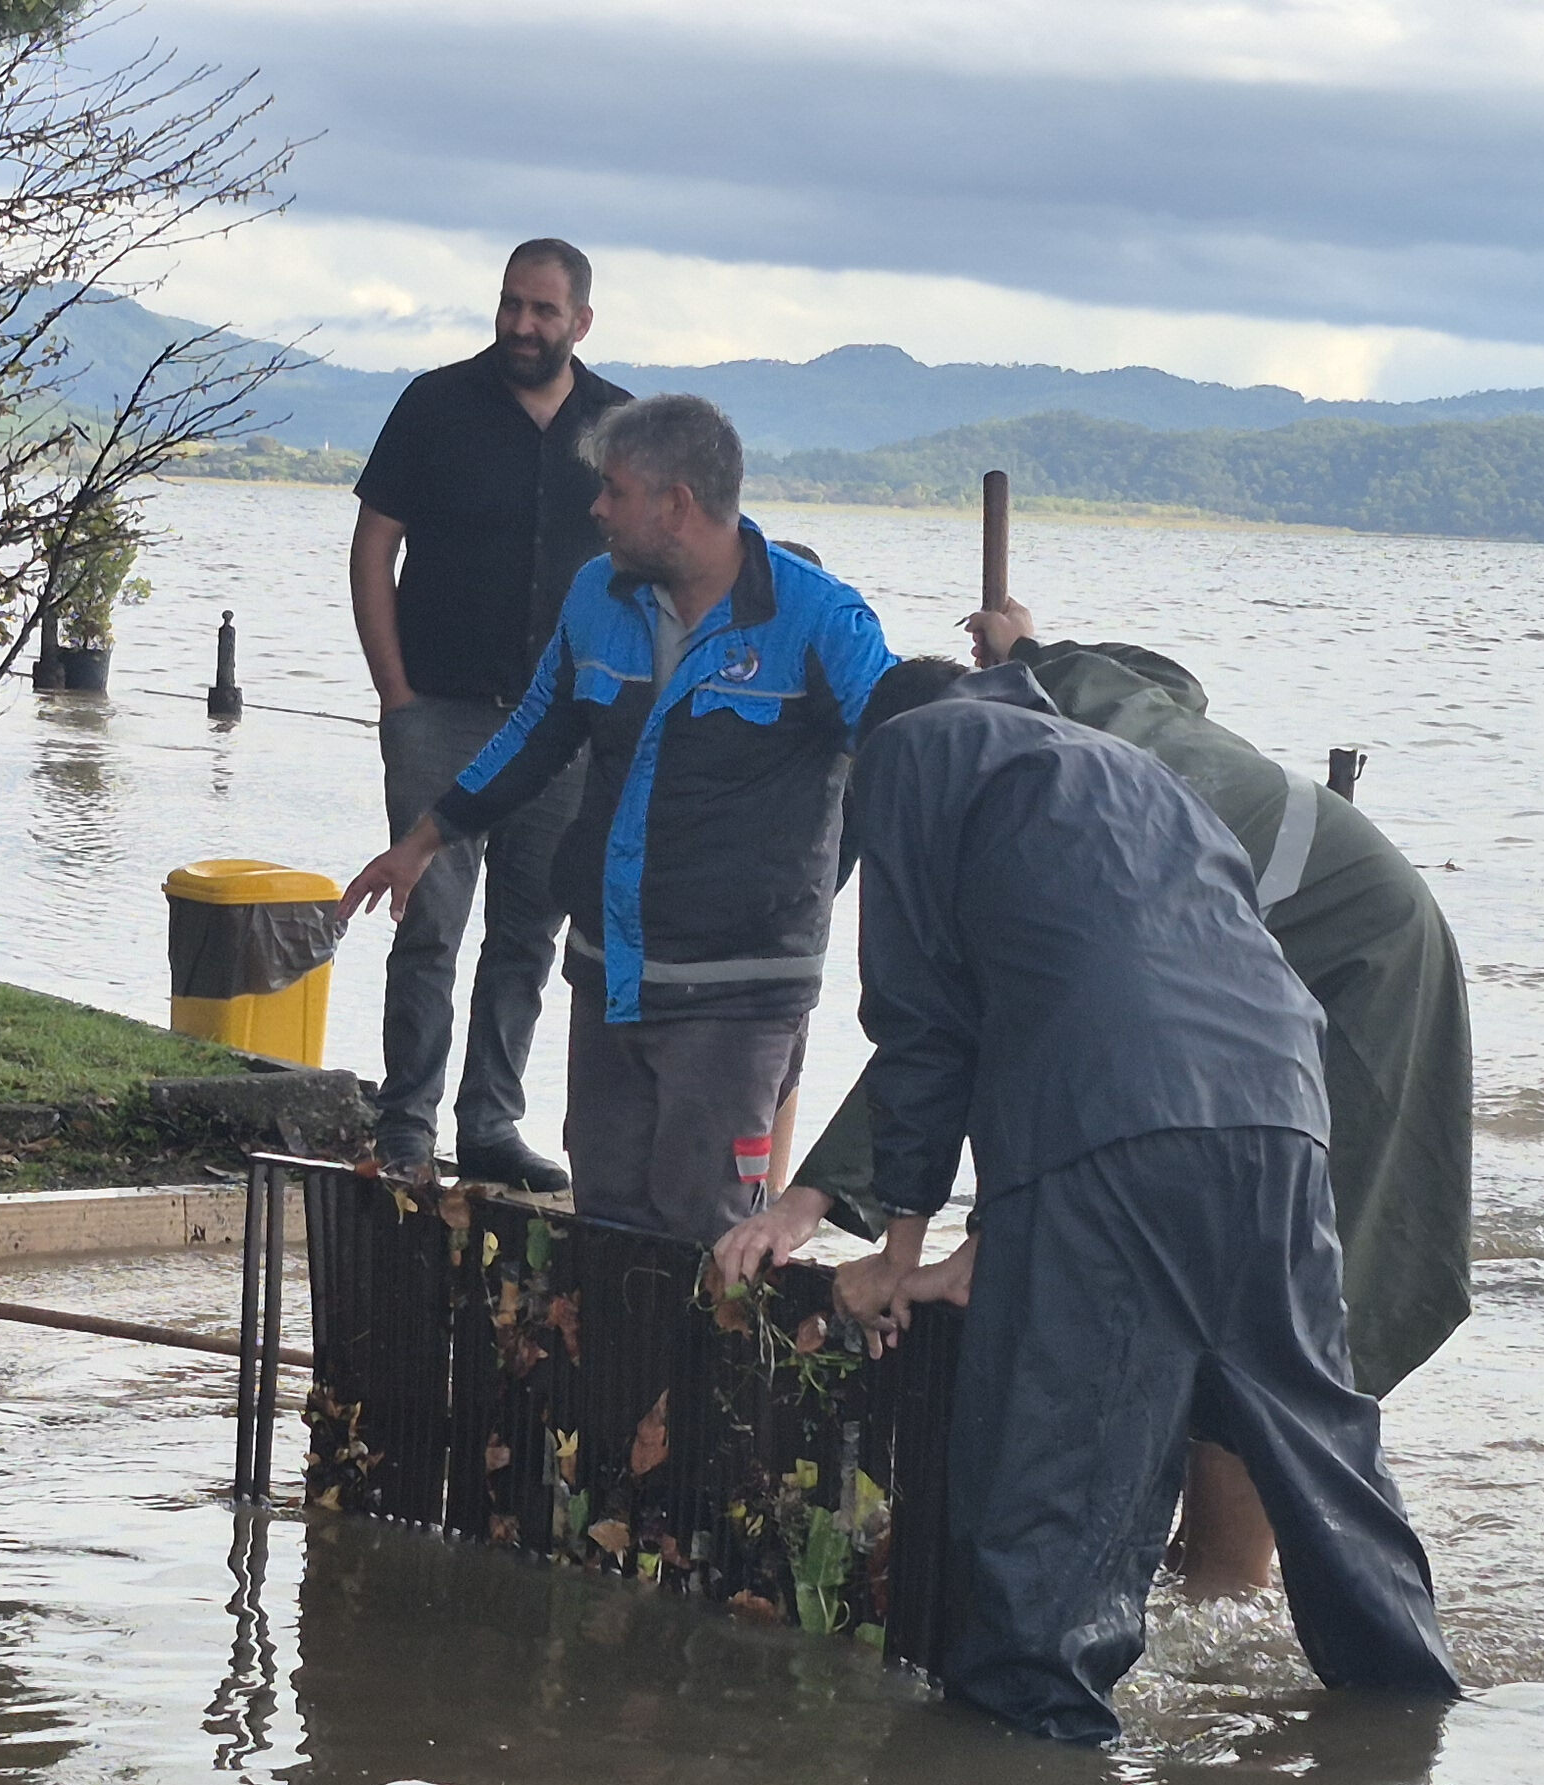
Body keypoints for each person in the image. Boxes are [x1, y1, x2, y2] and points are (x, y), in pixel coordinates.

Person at [717, 597, 1475, 1598]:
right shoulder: (1066, 695)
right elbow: (1173, 679)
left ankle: (1222, 1596)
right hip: (1245, 983)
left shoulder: (1001, 786)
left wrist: (827, 1206)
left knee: (1264, 1316)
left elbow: (946, 1025)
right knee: (1187, 1276)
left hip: (1348, 971)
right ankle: (1235, 1595)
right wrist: (1028, 644)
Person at [826, 664, 1459, 1738]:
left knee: (1063, 1467)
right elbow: (1103, 962)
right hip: (1281, 1106)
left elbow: (923, 1022)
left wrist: (896, 1249)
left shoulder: (909, 750)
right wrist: (989, 1237)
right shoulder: (1129, 768)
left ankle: (1030, 1748)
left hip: (1115, 1111)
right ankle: (1403, 1710)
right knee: (1311, 1431)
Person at [342, 395, 892, 1242]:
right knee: (604, 1227)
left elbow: (906, 754)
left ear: (677, 504)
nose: (596, 508)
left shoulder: (820, 619)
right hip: (610, 975)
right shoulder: (596, 593)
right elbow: (534, 734)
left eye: (614, 490)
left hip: (739, 993)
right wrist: (422, 841)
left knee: (708, 1236)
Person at [346, 240, 633, 1190]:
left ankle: (490, 1125)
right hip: (440, 710)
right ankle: (406, 1126)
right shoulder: (435, 405)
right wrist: (396, 698)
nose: (522, 324)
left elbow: (644, 580)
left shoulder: (619, 426)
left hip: (565, 732)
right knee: (427, 922)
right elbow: (372, 550)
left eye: (543, 310)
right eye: (512, 304)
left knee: (526, 936)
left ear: (580, 321)